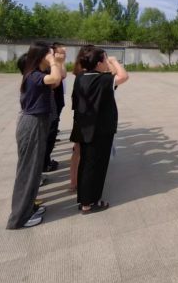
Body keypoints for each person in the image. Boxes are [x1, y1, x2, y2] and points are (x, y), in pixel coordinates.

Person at [6, 42, 66, 229]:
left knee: (33, 170)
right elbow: (55, 77)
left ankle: (29, 207)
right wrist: (53, 61)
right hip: (32, 124)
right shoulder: (33, 75)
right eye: (49, 54)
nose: (51, 56)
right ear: (41, 56)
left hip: (37, 123)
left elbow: (57, 80)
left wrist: (58, 62)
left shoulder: (38, 74)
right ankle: (20, 218)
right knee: (28, 171)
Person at [72, 47, 129, 213]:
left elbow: (112, 77)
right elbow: (123, 76)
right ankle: (91, 202)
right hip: (101, 129)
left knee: (86, 164)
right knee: (98, 165)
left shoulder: (81, 77)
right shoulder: (103, 80)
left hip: (85, 127)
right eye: (104, 59)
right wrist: (114, 61)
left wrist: (107, 61)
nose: (107, 62)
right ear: (98, 63)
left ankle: (84, 199)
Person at [68, 45, 94, 192]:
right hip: (86, 117)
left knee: (77, 149)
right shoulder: (88, 75)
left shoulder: (80, 73)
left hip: (79, 115)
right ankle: (77, 181)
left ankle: (73, 181)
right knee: (80, 150)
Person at [43, 42, 67, 173]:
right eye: (60, 53)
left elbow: (64, 74)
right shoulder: (47, 67)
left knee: (52, 131)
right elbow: (58, 79)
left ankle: (46, 160)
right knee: (49, 133)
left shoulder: (56, 63)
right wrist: (56, 62)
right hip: (51, 103)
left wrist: (60, 62)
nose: (62, 55)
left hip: (57, 101)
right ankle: (45, 163)